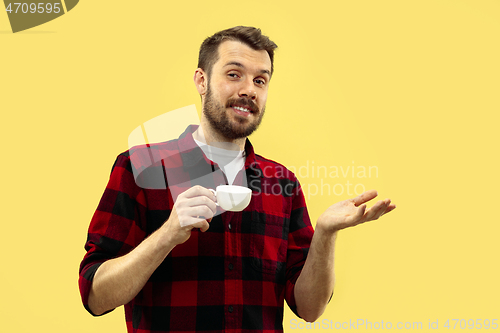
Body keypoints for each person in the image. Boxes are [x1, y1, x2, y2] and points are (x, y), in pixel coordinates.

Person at [79, 26, 396, 332]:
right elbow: (95, 296)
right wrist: (168, 234)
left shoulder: (283, 184)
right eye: (234, 74)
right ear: (201, 81)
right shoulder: (141, 167)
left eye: (261, 80)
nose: (249, 89)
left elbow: (309, 308)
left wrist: (326, 234)